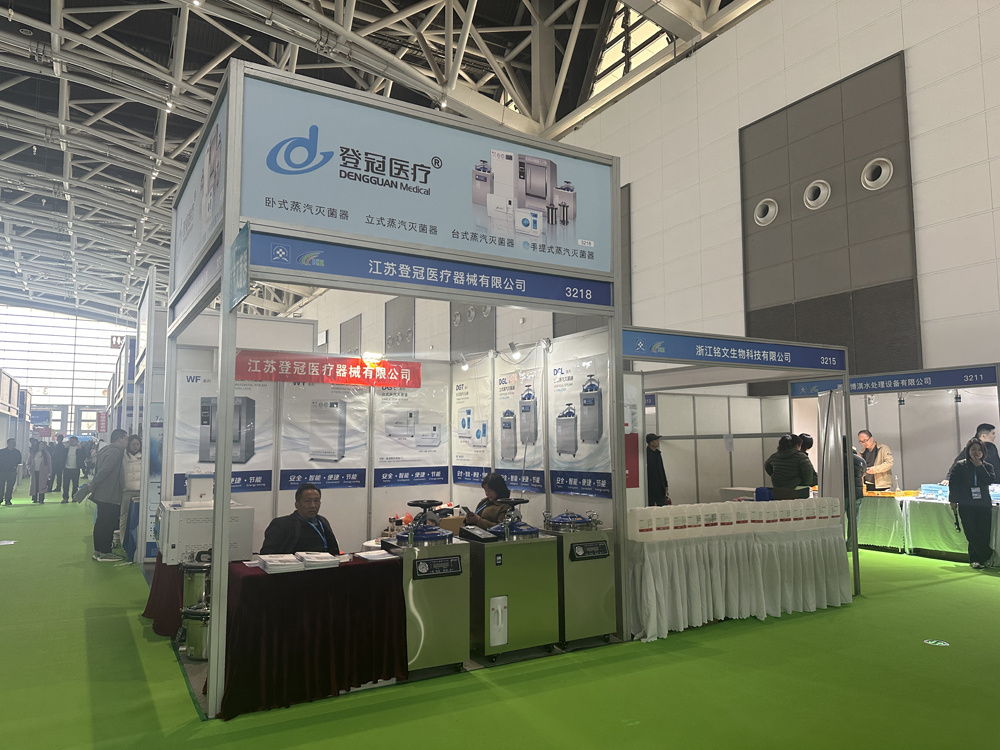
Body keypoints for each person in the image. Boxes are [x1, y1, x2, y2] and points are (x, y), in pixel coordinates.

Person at [947, 438, 996, 569]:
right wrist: (953, 500)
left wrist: (979, 466)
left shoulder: (987, 466)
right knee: (970, 531)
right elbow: (954, 484)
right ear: (968, 451)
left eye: (979, 450)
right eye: (973, 449)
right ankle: (987, 554)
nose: (976, 452)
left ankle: (977, 560)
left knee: (983, 531)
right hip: (966, 504)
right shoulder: (960, 466)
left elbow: (989, 480)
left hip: (983, 504)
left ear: (983, 452)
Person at [260, 483, 340, 555]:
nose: (313, 506)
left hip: (324, 563)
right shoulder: (282, 524)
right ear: (297, 505)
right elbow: (267, 552)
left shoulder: (323, 521)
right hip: (296, 565)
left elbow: (333, 549)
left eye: (316, 501)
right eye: (308, 501)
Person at [90, 429, 127, 562]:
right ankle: (105, 552)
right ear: (119, 440)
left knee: (101, 522)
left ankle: (99, 551)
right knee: (107, 523)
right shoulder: (115, 452)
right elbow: (105, 471)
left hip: (103, 493)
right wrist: (93, 484)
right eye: (126, 439)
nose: (127, 442)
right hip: (109, 494)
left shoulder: (106, 450)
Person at [764, 434, 818, 499]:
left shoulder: (774, 456)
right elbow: (808, 475)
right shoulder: (801, 457)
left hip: (778, 491)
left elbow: (767, 467)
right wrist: (803, 484)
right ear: (797, 445)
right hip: (796, 492)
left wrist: (776, 477)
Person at [119, 435, 142, 557]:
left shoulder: (145, 457)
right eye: (133, 444)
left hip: (141, 492)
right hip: (127, 491)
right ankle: (123, 542)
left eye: (137, 444)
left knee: (140, 518)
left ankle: (139, 543)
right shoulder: (122, 456)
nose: (135, 446)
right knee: (124, 517)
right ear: (128, 445)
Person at [858, 430, 893, 494]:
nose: (864, 443)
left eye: (865, 440)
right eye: (861, 441)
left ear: (871, 438)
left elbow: (889, 463)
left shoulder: (883, 448)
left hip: (882, 484)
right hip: (867, 485)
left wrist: (874, 469)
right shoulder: (861, 452)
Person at [645, 433, 670, 506]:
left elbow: (661, 469)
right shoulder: (646, 454)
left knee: (662, 505)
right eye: (655, 440)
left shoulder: (657, 453)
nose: (657, 442)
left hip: (660, 485)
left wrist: (665, 484)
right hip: (651, 487)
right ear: (650, 442)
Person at [28, 438, 52, 504]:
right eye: (40, 444)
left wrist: (49, 472)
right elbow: (29, 462)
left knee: (42, 485)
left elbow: (49, 463)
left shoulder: (46, 454)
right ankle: (34, 498)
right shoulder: (33, 453)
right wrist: (30, 468)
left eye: (43, 445)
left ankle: (41, 498)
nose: (42, 446)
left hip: (43, 472)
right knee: (34, 484)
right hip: (34, 472)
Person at [0, 438, 22, 506]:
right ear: (8, 443)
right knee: (1, 486)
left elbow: (19, 460)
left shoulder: (17, 452)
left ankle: (8, 500)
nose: (13, 444)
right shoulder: (2, 451)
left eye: (14, 442)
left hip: (12, 471)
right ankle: (0, 499)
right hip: (2, 471)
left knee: (10, 486)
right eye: (12, 442)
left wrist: (14, 465)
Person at [61, 436, 83, 503]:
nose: (72, 442)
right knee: (65, 484)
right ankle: (65, 498)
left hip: (75, 469)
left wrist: (79, 450)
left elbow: (82, 457)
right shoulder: (66, 449)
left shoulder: (80, 449)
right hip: (67, 468)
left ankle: (74, 497)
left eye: (73, 441)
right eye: (70, 441)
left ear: (77, 441)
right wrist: (66, 448)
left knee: (75, 484)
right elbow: (62, 456)